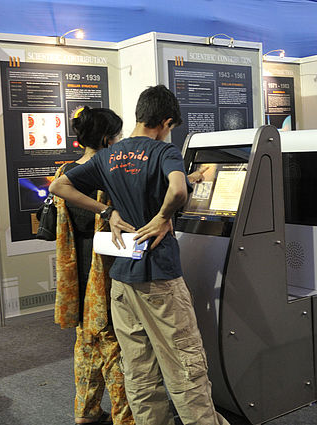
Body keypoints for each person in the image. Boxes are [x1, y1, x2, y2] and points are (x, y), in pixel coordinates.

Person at [49, 85, 229, 425]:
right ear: (165, 121)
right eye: (171, 127)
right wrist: (162, 218)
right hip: (160, 277)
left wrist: (107, 212)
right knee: (185, 366)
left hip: (121, 280)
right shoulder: (164, 151)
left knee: (139, 371)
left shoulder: (107, 156)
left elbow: (59, 187)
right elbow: (176, 189)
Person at [52, 107, 133, 425]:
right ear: (106, 138)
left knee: (86, 343)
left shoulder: (66, 172)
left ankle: (86, 411)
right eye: (118, 135)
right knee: (115, 345)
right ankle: (125, 417)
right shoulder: (108, 173)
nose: (121, 140)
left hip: (76, 274)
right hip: (107, 273)